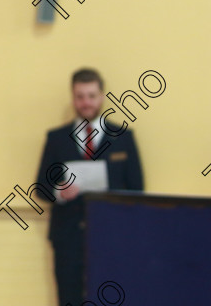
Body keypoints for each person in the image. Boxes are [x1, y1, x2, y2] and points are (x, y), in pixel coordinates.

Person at [35, 68, 143, 306]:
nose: (86, 103)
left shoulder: (123, 137)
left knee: (112, 298)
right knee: (69, 298)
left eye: (91, 96)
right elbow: (40, 187)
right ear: (73, 98)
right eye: (80, 96)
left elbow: (138, 190)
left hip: (113, 235)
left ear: (102, 96)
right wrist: (58, 192)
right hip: (68, 236)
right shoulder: (56, 138)